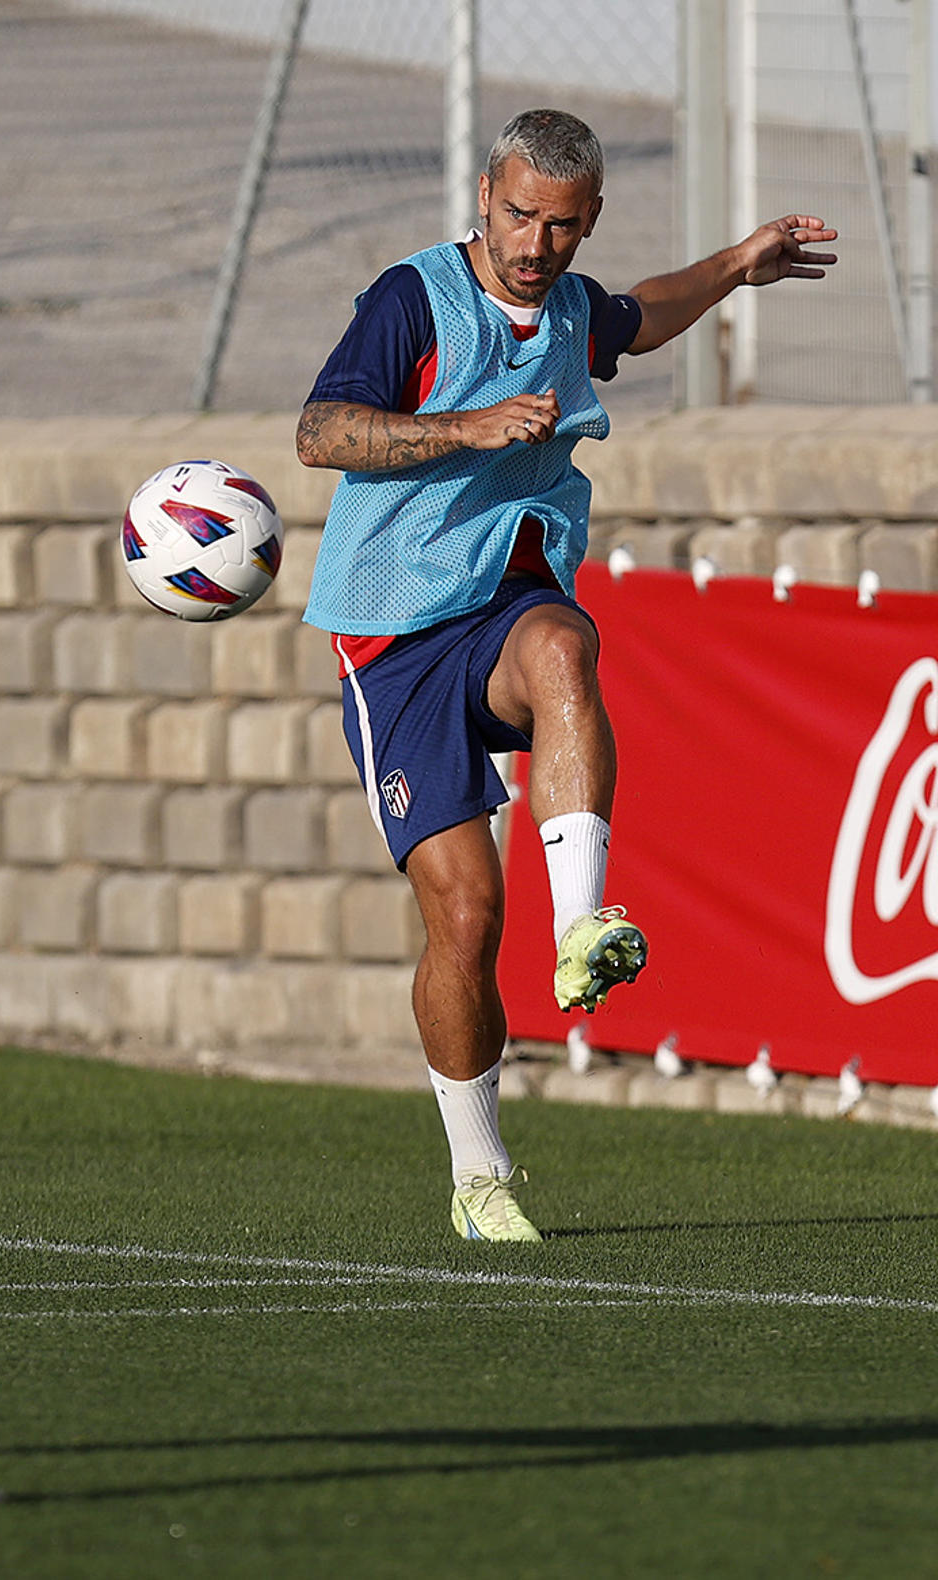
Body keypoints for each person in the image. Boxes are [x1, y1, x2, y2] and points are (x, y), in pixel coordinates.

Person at [295, 109, 837, 1243]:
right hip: (392, 635)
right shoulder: (414, 297)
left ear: (587, 222)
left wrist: (739, 266)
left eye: (562, 225)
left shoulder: (574, 309)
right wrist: (466, 426)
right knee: (466, 912)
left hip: (501, 603)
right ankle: (478, 1164)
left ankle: (585, 925)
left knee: (564, 646)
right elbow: (321, 432)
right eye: (520, 214)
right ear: (485, 192)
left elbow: (641, 318)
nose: (536, 243)